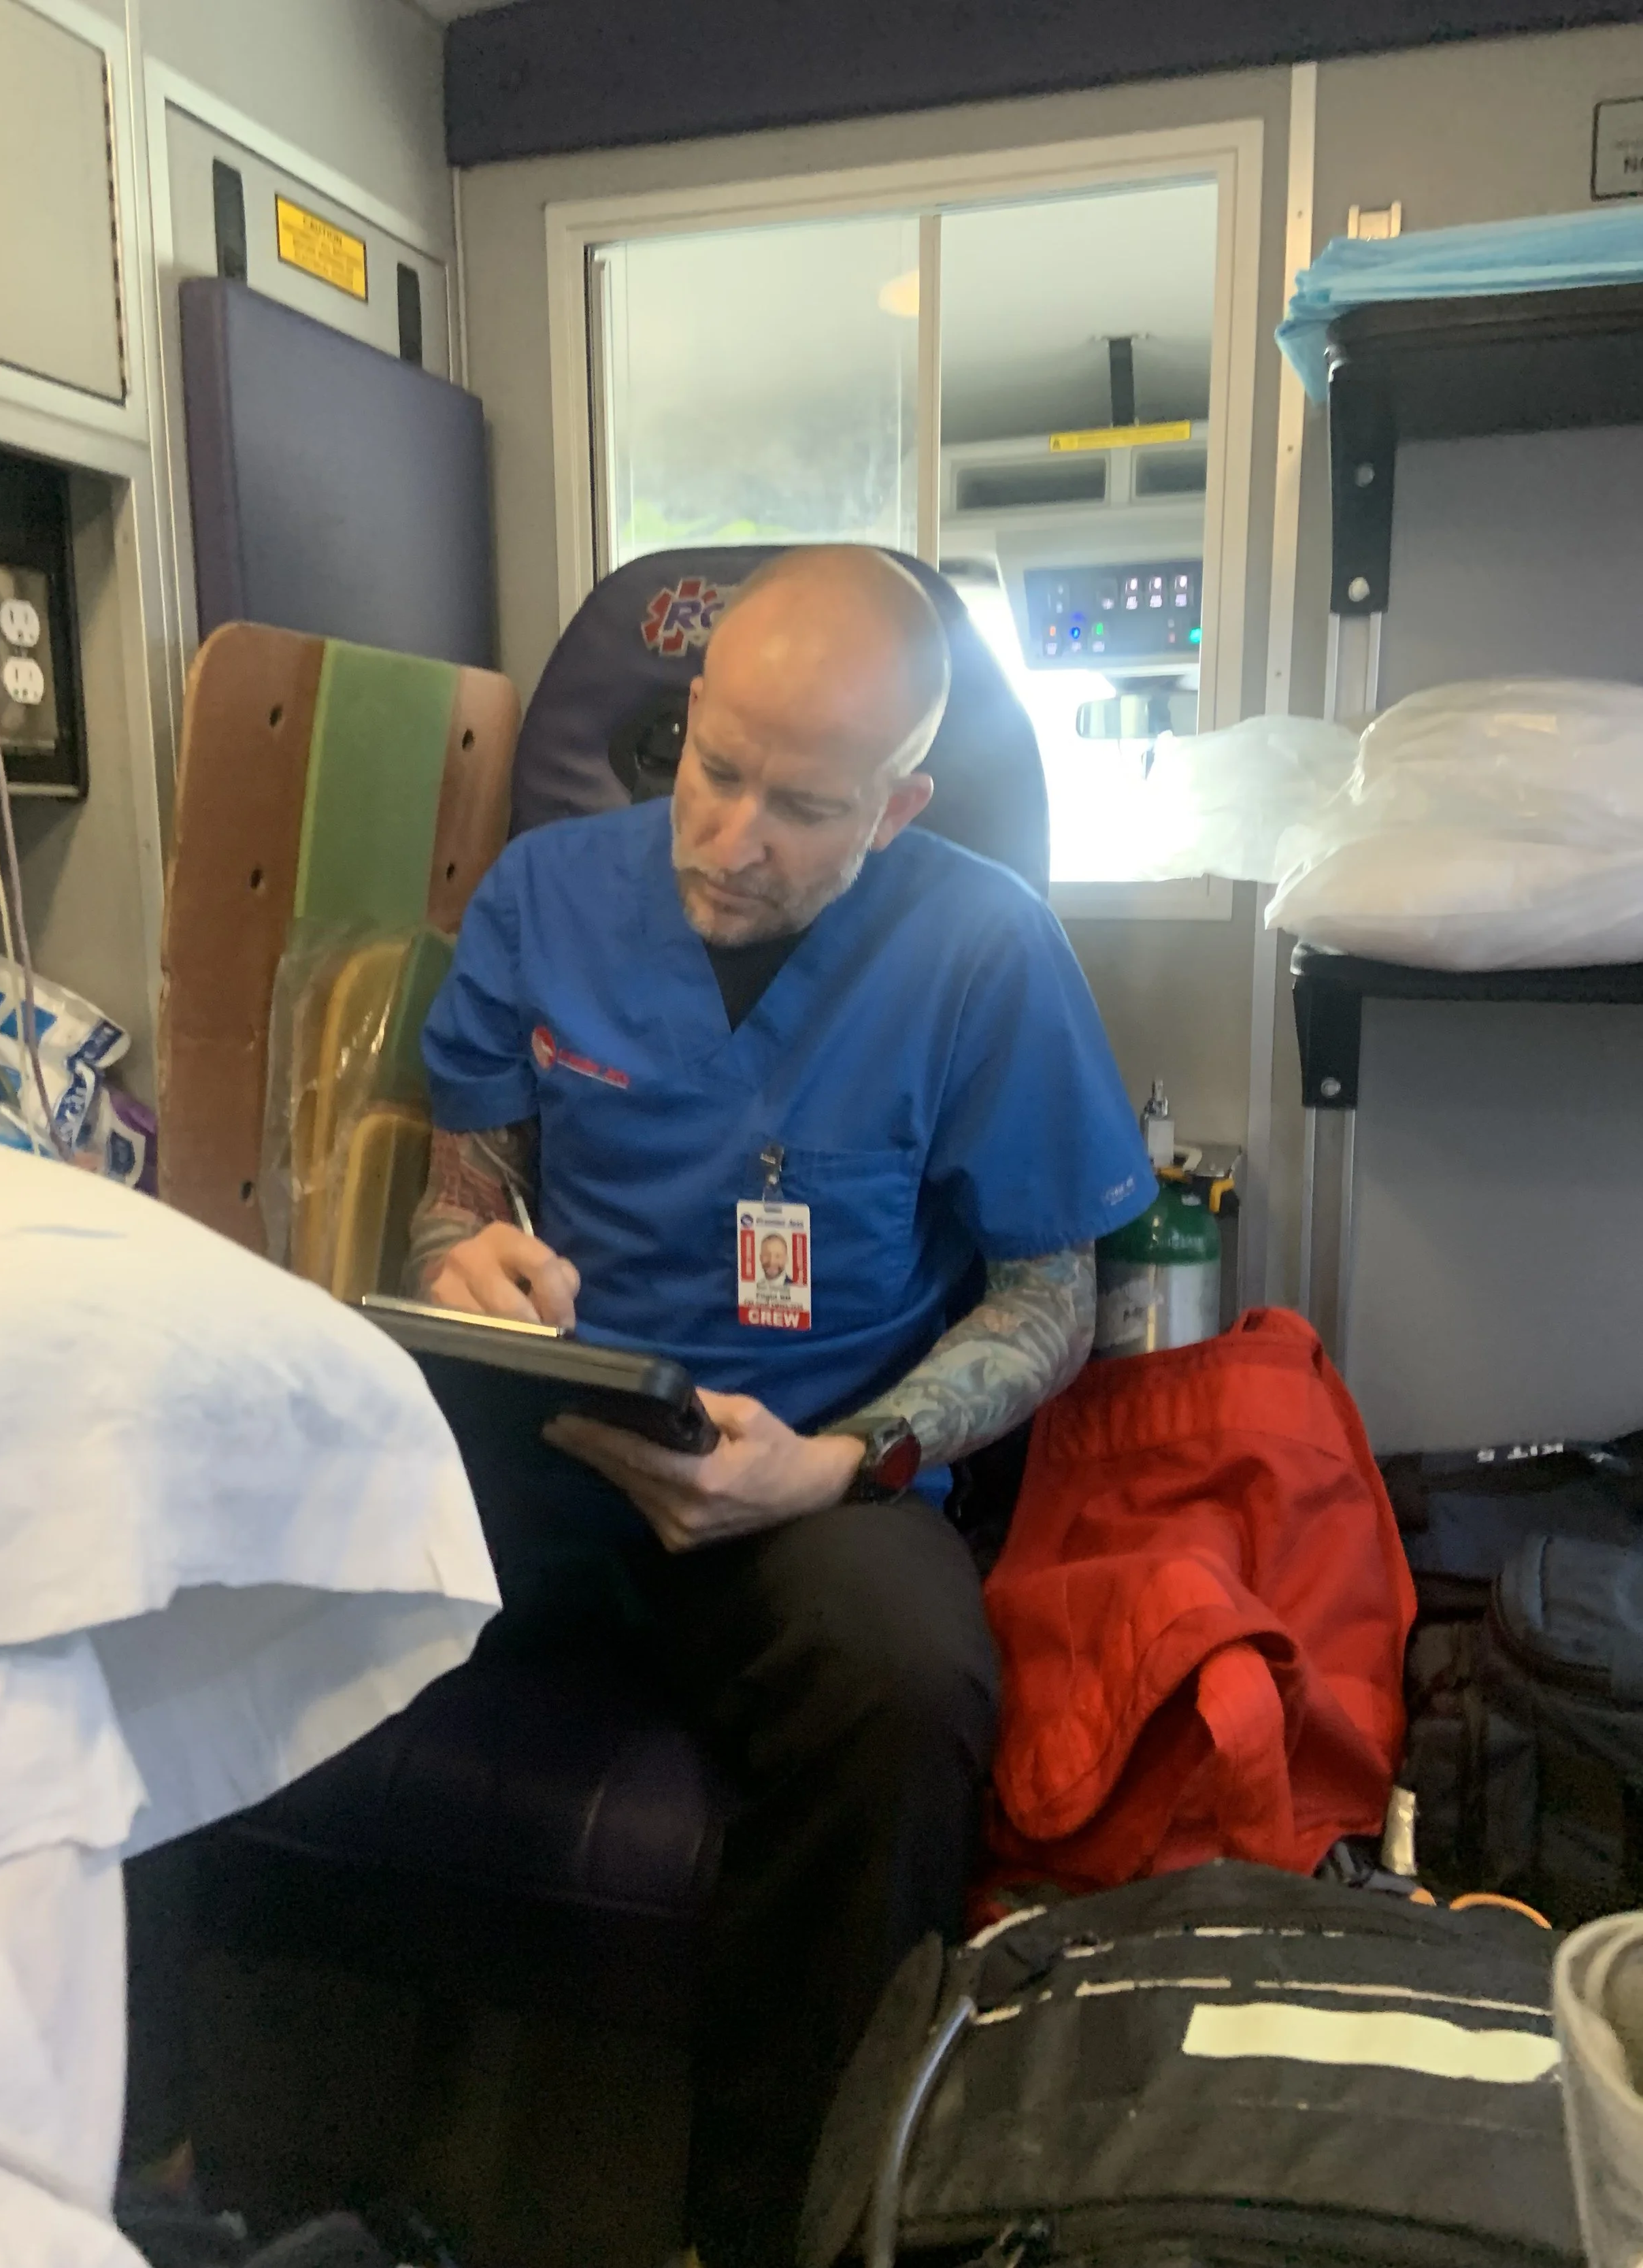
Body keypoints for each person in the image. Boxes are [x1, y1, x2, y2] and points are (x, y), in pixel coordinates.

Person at [408, 545, 1153, 2267]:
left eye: (802, 807)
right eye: (710, 768)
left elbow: (1058, 1298)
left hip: (816, 1477)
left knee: (905, 1677)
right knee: (268, 1515)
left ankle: (779, 2229)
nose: (731, 839)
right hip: (559, 1437)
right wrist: (466, 1261)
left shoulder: (985, 947)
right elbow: (464, 1196)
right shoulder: (543, 895)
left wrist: (842, 1460)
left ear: (895, 807)